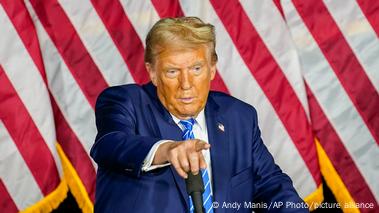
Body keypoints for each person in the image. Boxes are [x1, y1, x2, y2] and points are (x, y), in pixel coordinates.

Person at [90, 17, 308, 213]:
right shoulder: (126, 102)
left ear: (212, 69)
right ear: (153, 72)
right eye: (172, 72)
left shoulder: (238, 117)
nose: (186, 84)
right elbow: (110, 143)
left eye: (196, 69)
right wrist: (167, 149)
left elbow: (272, 186)